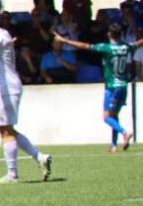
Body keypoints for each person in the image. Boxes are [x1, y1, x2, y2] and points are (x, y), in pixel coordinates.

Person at [0, 11, 52, 184]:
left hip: (6, 88)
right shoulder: (4, 33)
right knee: (9, 130)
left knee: (5, 130)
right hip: (12, 85)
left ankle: (12, 174)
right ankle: (40, 157)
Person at [53, 23, 136, 151]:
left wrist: (64, 40)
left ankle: (125, 132)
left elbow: (85, 46)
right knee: (114, 115)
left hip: (112, 87)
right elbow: (138, 44)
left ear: (109, 34)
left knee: (107, 117)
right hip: (124, 86)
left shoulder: (107, 48)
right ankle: (113, 146)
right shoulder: (126, 47)